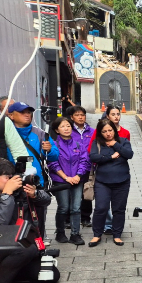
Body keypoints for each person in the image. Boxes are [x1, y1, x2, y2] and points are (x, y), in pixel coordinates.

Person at [0, 158, 59, 283]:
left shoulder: (18, 191)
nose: (12, 181)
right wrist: (6, 194)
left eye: (12, 177)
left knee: (51, 275)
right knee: (27, 248)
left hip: (14, 246)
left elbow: (46, 200)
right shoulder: (6, 193)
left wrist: (34, 194)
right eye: (6, 178)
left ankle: (10, 271)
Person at [6, 101, 59, 238]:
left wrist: (49, 150)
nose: (27, 115)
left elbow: (54, 155)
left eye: (29, 112)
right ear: (11, 115)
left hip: (36, 182)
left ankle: (40, 240)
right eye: (22, 112)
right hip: (12, 183)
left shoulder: (39, 133)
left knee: (38, 216)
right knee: (15, 217)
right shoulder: (6, 133)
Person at [88, 118, 133, 247]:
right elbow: (93, 157)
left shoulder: (123, 141)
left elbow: (129, 154)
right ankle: (97, 235)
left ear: (114, 130)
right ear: (100, 133)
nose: (108, 133)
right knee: (101, 208)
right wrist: (110, 157)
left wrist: (115, 144)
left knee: (119, 209)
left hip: (122, 181)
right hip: (102, 182)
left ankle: (117, 235)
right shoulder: (97, 143)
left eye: (110, 130)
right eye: (104, 131)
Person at [48, 117, 90, 245]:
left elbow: (85, 161)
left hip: (77, 180)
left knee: (76, 208)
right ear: (57, 130)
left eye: (68, 126)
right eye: (63, 126)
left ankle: (75, 234)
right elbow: (52, 164)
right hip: (61, 181)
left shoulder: (78, 144)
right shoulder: (54, 145)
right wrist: (66, 177)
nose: (66, 129)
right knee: (63, 207)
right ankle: (60, 232)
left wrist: (78, 175)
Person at [70, 106, 94, 227]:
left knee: (87, 191)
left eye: (82, 115)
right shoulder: (68, 131)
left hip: (88, 167)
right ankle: (68, 219)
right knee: (71, 192)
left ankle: (85, 218)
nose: (80, 117)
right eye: (77, 115)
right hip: (71, 167)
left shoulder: (92, 131)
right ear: (72, 117)